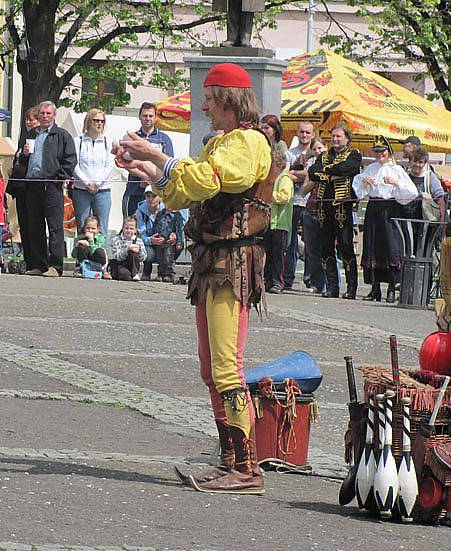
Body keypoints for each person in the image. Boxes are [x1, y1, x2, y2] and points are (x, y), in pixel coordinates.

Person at [117, 62, 273, 494]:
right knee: (212, 369)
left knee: (227, 366)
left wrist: (157, 156)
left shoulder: (248, 142)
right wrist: (146, 171)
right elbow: (184, 191)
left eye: (208, 96)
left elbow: (205, 181)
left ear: (227, 98)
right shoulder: (223, 143)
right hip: (213, 260)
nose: (202, 104)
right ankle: (230, 459)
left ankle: (246, 466)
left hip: (233, 262)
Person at [353, 136, 417, 303]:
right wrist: (363, 181)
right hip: (373, 209)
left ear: (388, 152)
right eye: (377, 152)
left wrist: (396, 183)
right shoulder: (370, 168)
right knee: (372, 245)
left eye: (382, 151)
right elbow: (358, 188)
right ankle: (375, 289)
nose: (379, 154)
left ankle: (391, 289)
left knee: (391, 247)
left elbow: (411, 192)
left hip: (390, 209)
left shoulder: (397, 170)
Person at [22, 100, 77, 277]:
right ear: (38, 116)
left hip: (52, 186)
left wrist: (58, 178)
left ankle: (56, 266)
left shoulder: (62, 135)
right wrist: (22, 156)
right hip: (33, 185)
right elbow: (21, 161)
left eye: (48, 113)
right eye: (42, 113)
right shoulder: (30, 134)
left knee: (55, 228)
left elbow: (70, 160)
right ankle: (40, 264)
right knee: (35, 227)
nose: (45, 116)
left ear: (54, 116)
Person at [307, 124, 362, 299]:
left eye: (339, 136)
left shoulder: (354, 154)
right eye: (334, 136)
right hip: (323, 205)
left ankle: (351, 288)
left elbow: (348, 168)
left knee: (346, 245)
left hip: (342, 205)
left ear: (347, 138)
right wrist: (330, 174)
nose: (335, 139)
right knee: (325, 246)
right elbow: (312, 173)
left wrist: (327, 172)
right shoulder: (324, 156)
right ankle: (332, 287)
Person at [122, 102, 174, 217]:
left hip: (158, 193)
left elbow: (167, 166)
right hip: (134, 191)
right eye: (145, 116)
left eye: (151, 116)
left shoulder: (164, 139)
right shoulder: (131, 138)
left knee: (156, 231)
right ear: (139, 117)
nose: (148, 119)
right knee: (130, 227)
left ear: (155, 117)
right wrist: (143, 175)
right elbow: (125, 163)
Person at [72, 108, 115, 237]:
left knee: (102, 227)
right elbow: (74, 164)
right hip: (81, 189)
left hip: (103, 190)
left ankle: (101, 255)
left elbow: (109, 165)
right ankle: (82, 255)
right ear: (89, 122)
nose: (99, 124)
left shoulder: (108, 141)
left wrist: (97, 183)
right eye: (96, 120)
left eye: (102, 121)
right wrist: (87, 182)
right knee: (82, 226)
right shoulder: (78, 141)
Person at [7, 108, 39, 272]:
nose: (28, 123)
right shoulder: (24, 139)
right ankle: (28, 259)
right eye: (27, 119)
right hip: (19, 188)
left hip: (30, 188)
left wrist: (26, 157)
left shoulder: (37, 139)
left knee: (32, 225)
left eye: (32, 119)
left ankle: (35, 260)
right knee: (23, 224)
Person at [285, 121, 316, 290]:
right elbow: (286, 173)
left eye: (307, 132)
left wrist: (297, 173)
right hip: (292, 201)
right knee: (290, 243)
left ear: (313, 135)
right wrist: (304, 175)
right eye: (302, 132)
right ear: (297, 133)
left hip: (311, 203)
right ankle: (288, 278)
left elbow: (313, 175)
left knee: (311, 242)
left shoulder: (316, 153)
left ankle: (310, 278)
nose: (304, 135)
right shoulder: (290, 153)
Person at [135, 186, 184, 282]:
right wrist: (151, 240)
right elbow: (142, 235)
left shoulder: (169, 211)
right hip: (150, 243)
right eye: (148, 196)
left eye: (154, 196)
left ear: (160, 197)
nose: (151, 199)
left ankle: (168, 273)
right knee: (151, 253)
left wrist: (175, 235)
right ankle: (147, 271)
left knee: (167, 255)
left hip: (167, 242)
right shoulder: (140, 212)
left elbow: (180, 226)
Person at [300, 138, 330, 294]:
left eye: (320, 148)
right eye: (315, 149)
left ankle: (330, 283)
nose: (318, 151)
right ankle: (318, 283)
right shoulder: (312, 166)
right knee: (312, 251)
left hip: (326, 212)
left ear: (326, 148)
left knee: (327, 249)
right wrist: (314, 177)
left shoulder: (334, 165)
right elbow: (304, 189)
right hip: (310, 209)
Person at [263, 144, 294, 294]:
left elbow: (285, 196)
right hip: (271, 222)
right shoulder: (273, 179)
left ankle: (278, 282)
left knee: (279, 255)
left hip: (281, 223)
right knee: (269, 253)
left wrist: (270, 196)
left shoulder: (284, 179)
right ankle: (268, 280)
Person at [109, 215, 146, 281]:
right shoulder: (116, 240)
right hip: (120, 264)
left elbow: (144, 257)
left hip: (133, 265)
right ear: (123, 228)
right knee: (125, 276)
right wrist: (126, 250)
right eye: (126, 228)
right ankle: (129, 275)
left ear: (135, 230)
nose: (129, 231)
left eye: (131, 229)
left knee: (133, 252)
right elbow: (115, 256)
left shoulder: (139, 241)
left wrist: (139, 251)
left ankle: (134, 274)